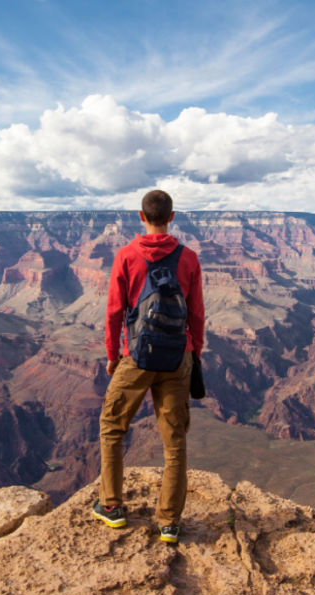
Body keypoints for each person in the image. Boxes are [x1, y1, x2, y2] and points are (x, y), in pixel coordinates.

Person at [92, 189, 204, 545]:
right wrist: (194, 353)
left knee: (112, 426)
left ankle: (112, 506)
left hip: (137, 357)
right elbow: (197, 314)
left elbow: (114, 312)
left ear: (141, 217)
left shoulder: (126, 255)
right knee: (175, 441)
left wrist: (113, 356)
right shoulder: (189, 258)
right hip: (177, 357)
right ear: (172, 217)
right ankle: (168, 522)